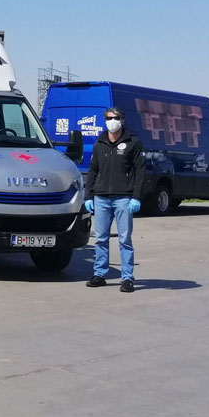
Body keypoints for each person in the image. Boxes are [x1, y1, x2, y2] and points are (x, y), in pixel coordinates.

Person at [84, 106, 145, 293]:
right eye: (109, 118)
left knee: (125, 239)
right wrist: (89, 195)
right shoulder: (99, 142)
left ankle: (127, 278)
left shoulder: (133, 142)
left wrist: (136, 196)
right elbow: (93, 170)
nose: (112, 121)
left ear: (122, 119)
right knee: (101, 239)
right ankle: (99, 274)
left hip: (123, 199)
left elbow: (140, 172)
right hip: (101, 198)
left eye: (116, 118)